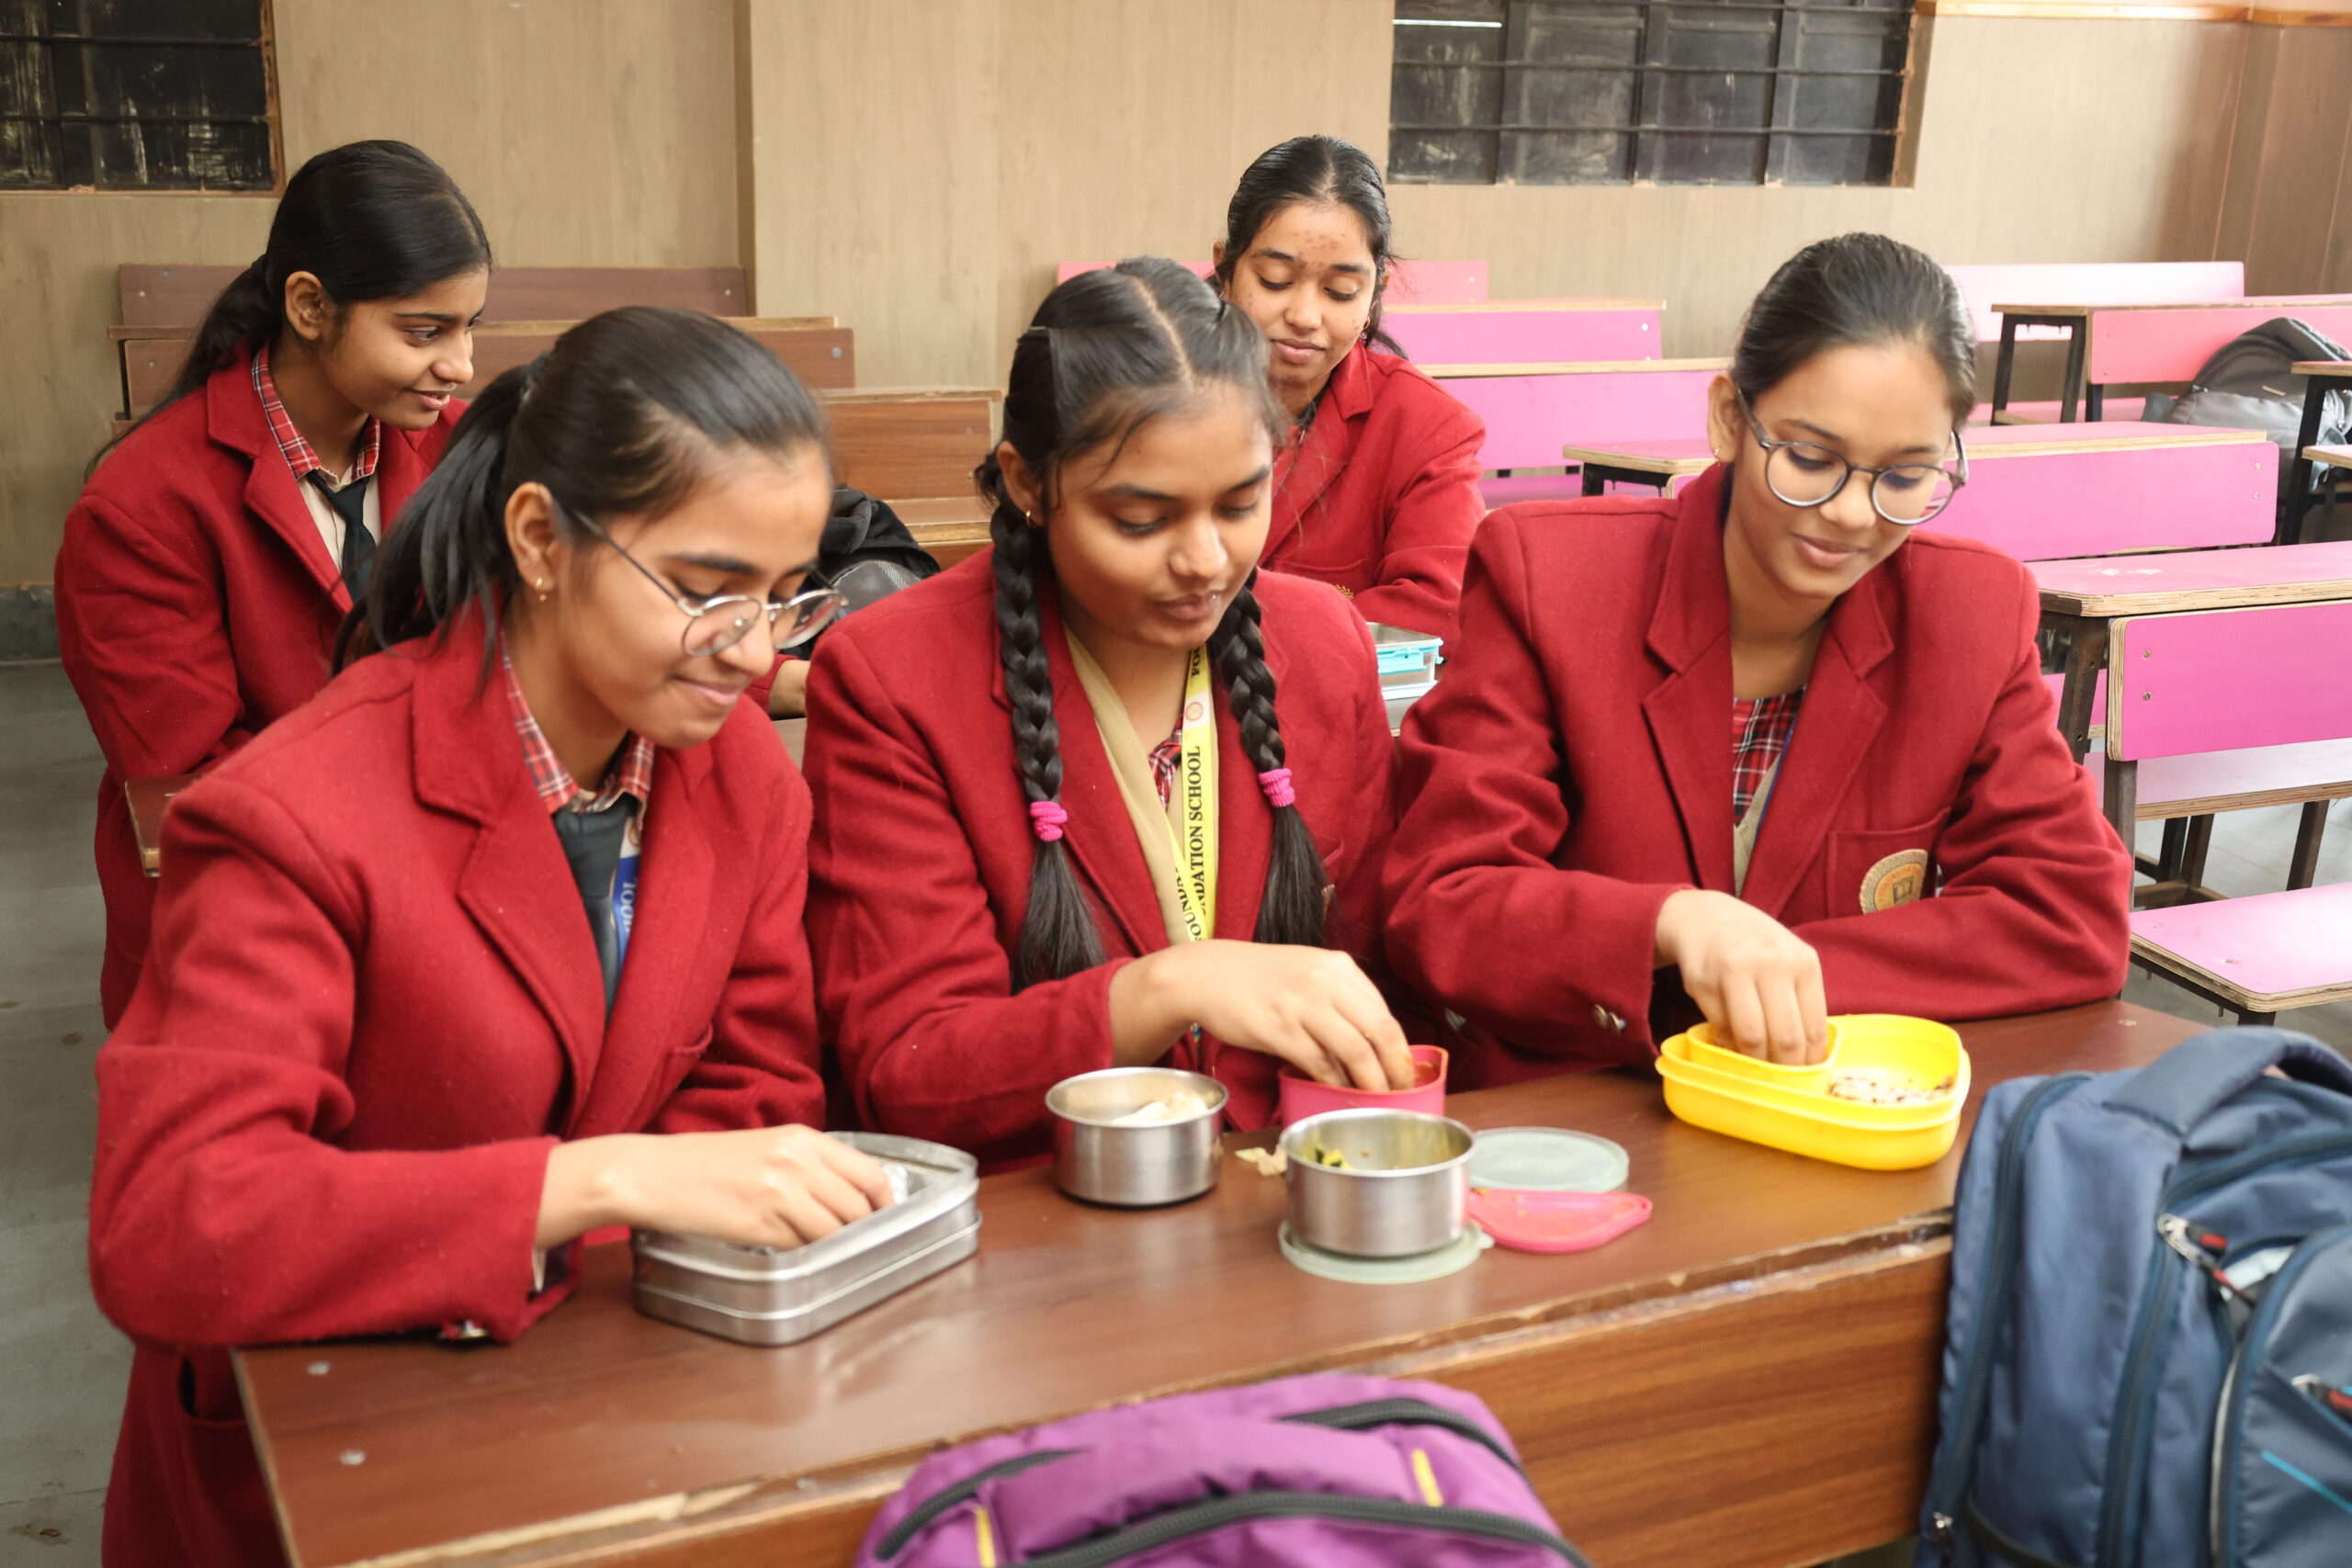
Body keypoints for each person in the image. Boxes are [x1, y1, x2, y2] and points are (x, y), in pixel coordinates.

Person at [86, 309, 892, 1568]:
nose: (752, 651)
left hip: (606, 1426)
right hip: (332, 1460)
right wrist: (583, 1187)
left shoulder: (737, 774)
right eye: (704, 589)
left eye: (785, 600)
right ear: (540, 540)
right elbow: (175, 1217)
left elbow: (749, 1086)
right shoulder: (300, 809)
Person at [1385, 233, 2133, 1085]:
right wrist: (1669, 924)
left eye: (1905, 476)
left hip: (1825, 1107)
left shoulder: (1969, 616)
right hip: (1582, 1119)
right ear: (1729, 420)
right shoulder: (1550, 580)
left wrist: (1777, 971)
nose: (1853, 513)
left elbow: (2071, 918)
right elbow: (1443, 900)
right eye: (1812, 459)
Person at [804, 258, 1415, 1168]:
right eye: (1140, 521)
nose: (1206, 561)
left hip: (1290, 1197)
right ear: (1025, 480)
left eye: (1242, 503)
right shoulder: (893, 677)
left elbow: (1376, 964)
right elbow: (911, 1073)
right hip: (1046, 1230)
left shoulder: (1322, 643)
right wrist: (1169, 988)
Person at [57, 140, 489, 1023]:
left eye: (470, 326)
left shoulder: (454, 443)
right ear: (308, 306)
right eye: (425, 331)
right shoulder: (138, 507)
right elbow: (194, 782)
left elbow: (567, 615)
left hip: (427, 868)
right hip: (244, 915)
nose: (462, 365)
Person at [1211, 134, 1485, 640]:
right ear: (1226, 268)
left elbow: (1436, 605)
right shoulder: (1155, 393)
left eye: (1341, 292)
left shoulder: (1427, 428)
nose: (1304, 316)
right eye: (1274, 280)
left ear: (1375, 290)